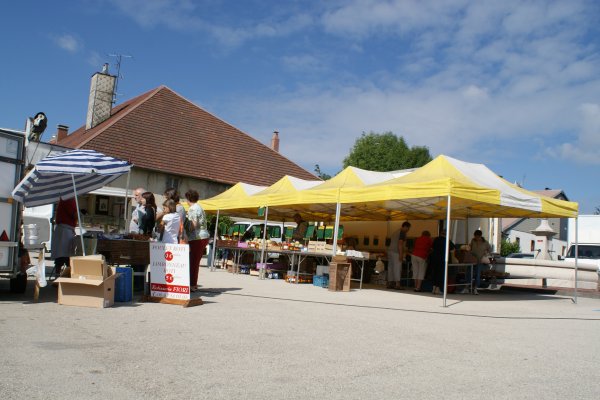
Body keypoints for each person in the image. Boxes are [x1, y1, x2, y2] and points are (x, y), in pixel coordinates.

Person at [184, 189, 210, 292]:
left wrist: (185, 228)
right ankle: (193, 284)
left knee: (193, 262)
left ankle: (192, 285)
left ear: (188, 198)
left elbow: (194, 224)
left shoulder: (193, 209)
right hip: (202, 236)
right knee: (195, 262)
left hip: (197, 238)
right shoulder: (199, 207)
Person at [50, 197, 78, 277]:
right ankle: (62, 276)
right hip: (65, 231)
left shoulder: (66, 198)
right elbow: (74, 215)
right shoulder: (69, 199)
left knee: (63, 254)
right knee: (64, 255)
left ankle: (59, 275)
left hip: (64, 230)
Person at [429, 230, 455, 295]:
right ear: (446, 234)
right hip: (442, 259)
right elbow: (453, 249)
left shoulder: (436, 239)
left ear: (440, 234)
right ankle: (437, 289)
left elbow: (432, 248)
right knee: (440, 274)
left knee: (435, 273)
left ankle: (433, 289)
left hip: (434, 259)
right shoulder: (447, 240)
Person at [387, 221, 411, 290]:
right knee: (397, 268)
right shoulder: (402, 233)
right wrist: (401, 254)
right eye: (408, 228)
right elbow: (400, 244)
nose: (408, 230)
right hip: (396, 252)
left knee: (390, 268)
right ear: (405, 227)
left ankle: (390, 283)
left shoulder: (395, 232)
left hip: (390, 251)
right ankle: (397, 285)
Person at [469, 229, 492, 294]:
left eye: (477, 236)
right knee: (469, 273)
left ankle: (475, 288)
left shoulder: (485, 242)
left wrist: (486, 254)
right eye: (475, 236)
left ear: (480, 236)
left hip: (479, 261)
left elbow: (490, 249)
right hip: (472, 260)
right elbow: (470, 248)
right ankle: (467, 287)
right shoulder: (473, 240)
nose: (475, 237)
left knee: (477, 275)